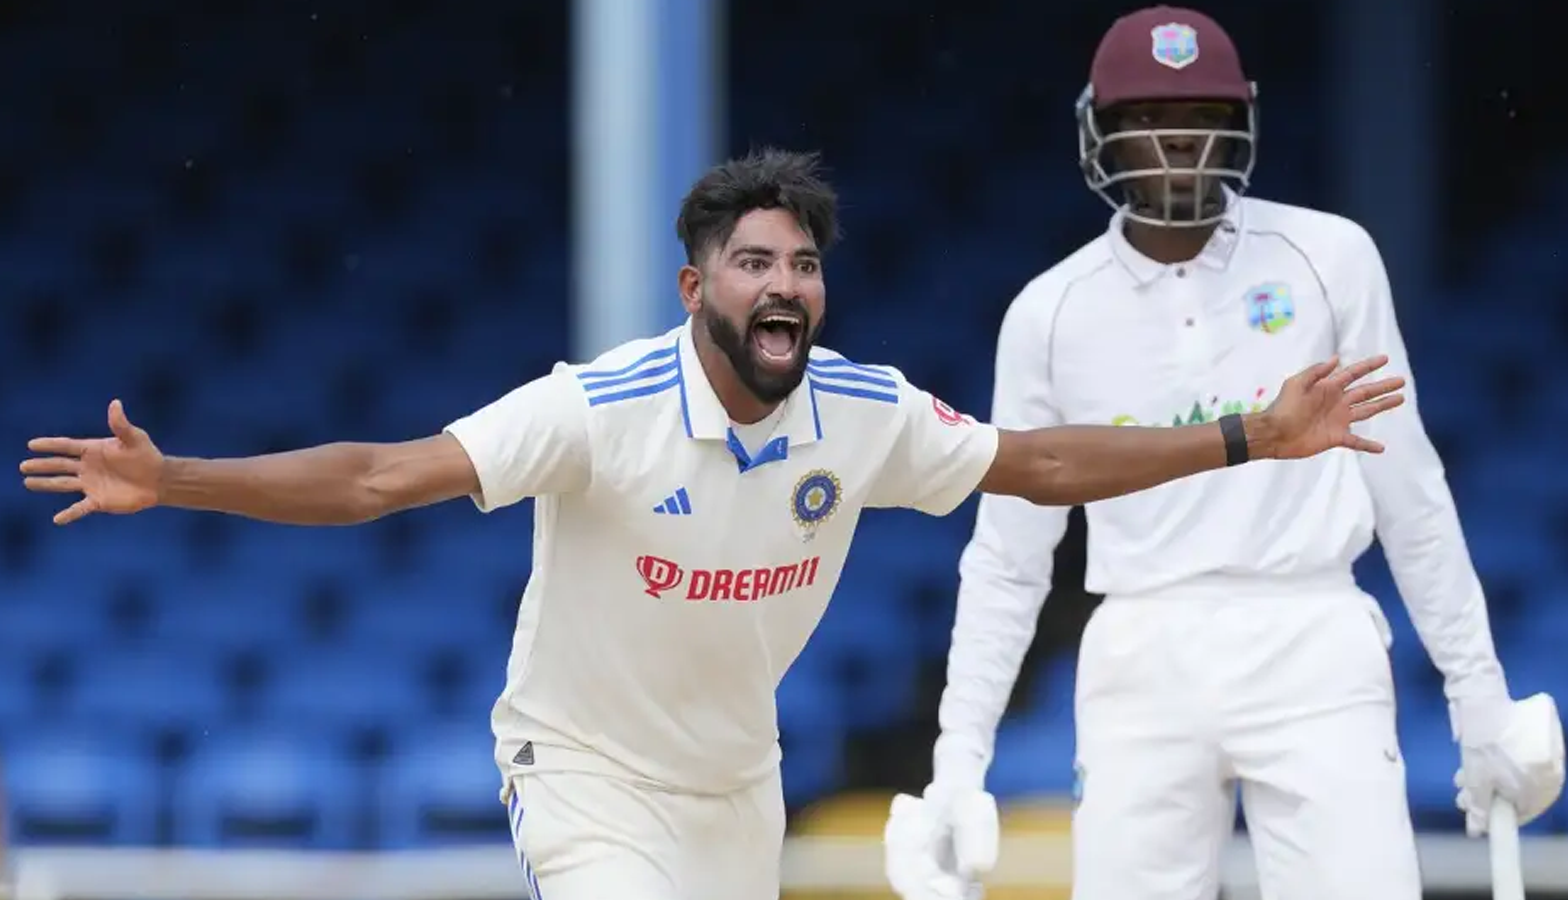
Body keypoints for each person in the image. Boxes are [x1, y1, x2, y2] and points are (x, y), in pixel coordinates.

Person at [21, 148, 1405, 900]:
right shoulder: (597, 404)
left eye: (803, 263)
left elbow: (1038, 463)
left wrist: (1246, 436)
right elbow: (385, 478)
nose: (785, 282)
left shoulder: (861, 411)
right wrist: (181, 477)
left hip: (739, 785)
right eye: (754, 262)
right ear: (696, 288)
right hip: (581, 769)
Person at [883, 8, 1567, 900]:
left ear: (1238, 121)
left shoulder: (1329, 257)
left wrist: (1479, 702)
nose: (1178, 147)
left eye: (1200, 119)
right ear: (1102, 132)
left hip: (1311, 630)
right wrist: (957, 764)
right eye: (1149, 123)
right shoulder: (1050, 315)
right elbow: (1010, 558)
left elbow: (1408, 491)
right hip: (1141, 643)